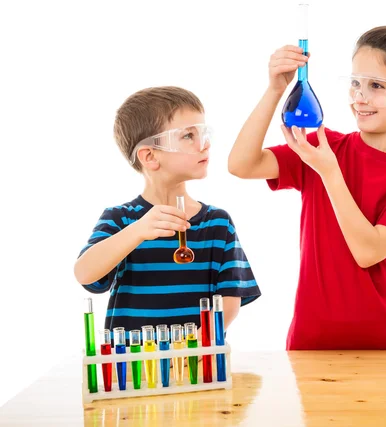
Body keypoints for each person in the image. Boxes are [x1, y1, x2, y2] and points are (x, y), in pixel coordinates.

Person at [228, 26, 386, 350]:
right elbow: (241, 164)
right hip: (310, 343)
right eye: (355, 83)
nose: (360, 96)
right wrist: (275, 90)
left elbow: (368, 252)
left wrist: (329, 173)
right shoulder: (326, 147)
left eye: (377, 86)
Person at [75, 86, 261, 338]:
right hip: (133, 370)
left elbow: (229, 302)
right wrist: (138, 230)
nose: (204, 145)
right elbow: (86, 274)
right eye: (188, 136)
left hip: (197, 366)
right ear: (149, 156)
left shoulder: (217, 223)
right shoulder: (121, 219)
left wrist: (190, 346)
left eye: (203, 133)